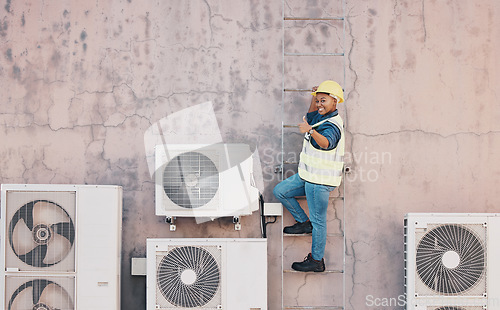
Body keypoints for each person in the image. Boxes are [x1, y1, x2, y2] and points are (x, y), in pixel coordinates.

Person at [273, 80, 345, 272]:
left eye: (324, 101)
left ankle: (317, 260)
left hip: (320, 181)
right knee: (280, 191)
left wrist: (311, 131)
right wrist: (314, 97)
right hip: (308, 175)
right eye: (318, 100)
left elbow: (326, 143)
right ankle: (304, 223)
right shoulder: (321, 117)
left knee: (319, 221)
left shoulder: (332, 125)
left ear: (335, 101)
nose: (320, 104)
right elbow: (312, 115)